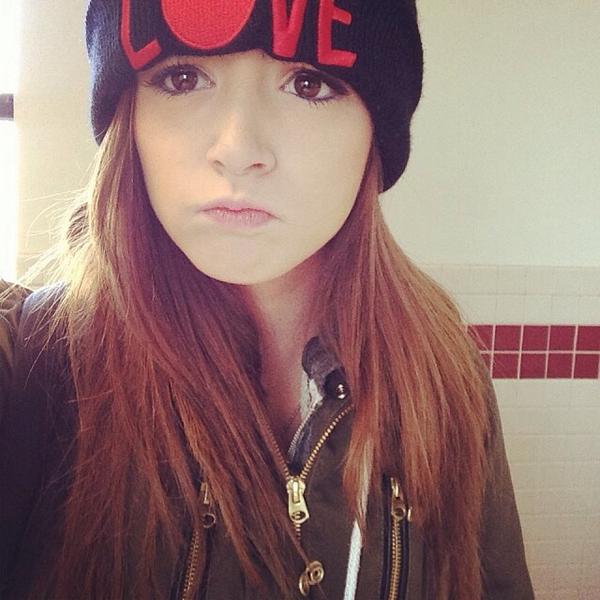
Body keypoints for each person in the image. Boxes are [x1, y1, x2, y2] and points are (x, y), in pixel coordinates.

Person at [0, 1, 534, 599]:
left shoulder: (440, 372)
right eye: (183, 77)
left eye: (309, 83)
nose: (237, 148)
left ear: (375, 135)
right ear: (129, 119)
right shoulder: (33, 363)